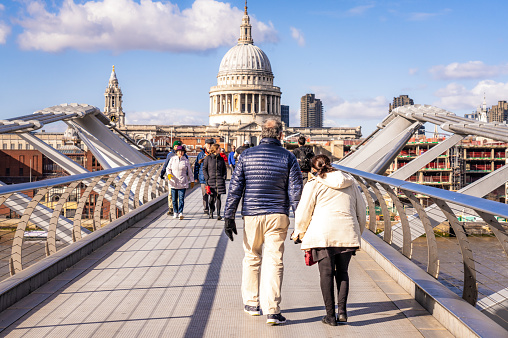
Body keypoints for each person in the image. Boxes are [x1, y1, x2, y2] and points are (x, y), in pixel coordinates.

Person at [224, 118, 302, 325]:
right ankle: (273, 311)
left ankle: (251, 304)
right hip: (278, 214)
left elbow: (235, 188)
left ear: (260, 135)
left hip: (251, 214)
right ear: (281, 135)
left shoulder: (246, 155)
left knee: (252, 258)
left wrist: (228, 216)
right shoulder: (288, 157)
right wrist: (301, 223)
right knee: (275, 261)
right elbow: (296, 192)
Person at [291, 155, 366, 326]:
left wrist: (299, 233)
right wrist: (356, 234)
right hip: (347, 232)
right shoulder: (351, 183)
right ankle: (343, 312)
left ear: (313, 170)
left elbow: (304, 212)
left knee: (326, 274)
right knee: (343, 273)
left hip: (322, 234)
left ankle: (330, 316)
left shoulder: (314, 184)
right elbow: (361, 211)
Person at [167, 145, 194, 220]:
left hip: (183, 182)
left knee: (181, 198)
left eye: (182, 152)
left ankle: (180, 212)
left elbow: (190, 172)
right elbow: (168, 168)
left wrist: (192, 180)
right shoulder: (172, 159)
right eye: (179, 151)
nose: (180, 153)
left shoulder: (186, 161)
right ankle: (175, 212)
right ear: (176, 152)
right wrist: (169, 174)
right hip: (173, 182)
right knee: (174, 199)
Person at [160, 140, 186, 215]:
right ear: (173, 147)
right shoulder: (170, 155)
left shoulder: (184, 156)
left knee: (179, 194)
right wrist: (163, 173)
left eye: (178, 146)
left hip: (180, 178)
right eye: (175, 146)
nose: (177, 148)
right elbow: (166, 165)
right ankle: (171, 208)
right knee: (171, 193)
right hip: (172, 177)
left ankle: (177, 209)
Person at [203, 144, 227, 220]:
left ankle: (219, 214)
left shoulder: (221, 159)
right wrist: (207, 178)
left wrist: (224, 177)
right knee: (211, 198)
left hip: (219, 180)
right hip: (211, 180)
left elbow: (224, 169)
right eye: (219, 148)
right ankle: (211, 211)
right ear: (215, 149)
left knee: (218, 197)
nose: (220, 149)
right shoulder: (208, 158)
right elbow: (204, 169)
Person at [194, 138, 215, 214]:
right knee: (204, 194)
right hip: (203, 178)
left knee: (213, 194)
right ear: (205, 145)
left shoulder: (215, 154)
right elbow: (196, 166)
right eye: (208, 144)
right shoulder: (200, 155)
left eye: (211, 144)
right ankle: (206, 208)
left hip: (213, 178)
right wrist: (195, 177)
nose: (209, 146)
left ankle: (212, 206)